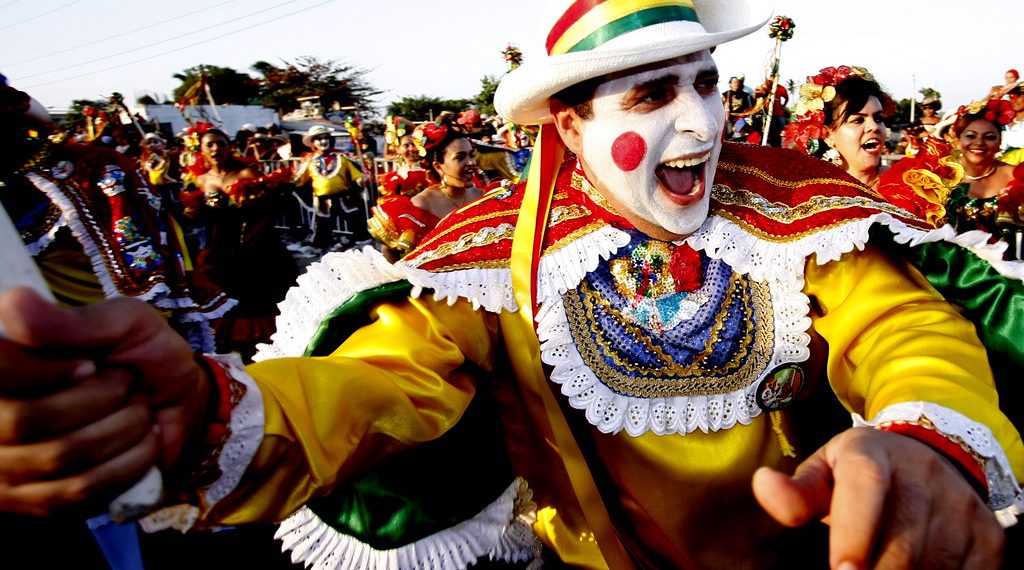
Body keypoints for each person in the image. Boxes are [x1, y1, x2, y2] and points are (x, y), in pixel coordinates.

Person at [1, 3, 1023, 570]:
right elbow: (375, 391)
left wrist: (923, 435)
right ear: (569, 125)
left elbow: (908, 330)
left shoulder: (800, 211)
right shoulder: (490, 257)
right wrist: (215, 414)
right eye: (656, 93)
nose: (703, 125)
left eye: (707, 83)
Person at [180, 128, 299, 361]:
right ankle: (231, 346)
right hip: (220, 246)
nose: (216, 149)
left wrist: (253, 202)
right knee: (226, 295)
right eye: (210, 145)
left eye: (221, 144)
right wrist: (192, 212)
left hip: (254, 244)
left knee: (259, 293)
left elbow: (270, 207)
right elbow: (198, 216)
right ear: (201, 149)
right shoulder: (198, 179)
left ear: (229, 146)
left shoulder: (245, 173)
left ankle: (266, 344)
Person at [368, 115, 485, 257]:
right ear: (438, 166)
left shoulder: (481, 196)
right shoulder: (421, 205)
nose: (471, 163)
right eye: (460, 157)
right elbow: (389, 251)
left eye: (471, 155)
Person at [783, 65, 893, 188]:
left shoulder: (908, 185)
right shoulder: (808, 191)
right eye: (858, 120)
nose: (874, 126)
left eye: (879, 119)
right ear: (827, 135)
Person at [292, 124, 367, 250]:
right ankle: (322, 245)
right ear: (313, 142)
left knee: (354, 219)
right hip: (322, 199)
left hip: (344, 197)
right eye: (319, 138)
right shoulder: (309, 161)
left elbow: (355, 173)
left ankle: (363, 242)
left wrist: (360, 179)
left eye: (325, 137)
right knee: (322, 223)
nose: (323, 141)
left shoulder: (341, 157)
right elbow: (300, 179)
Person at [722, 75, 754, 140]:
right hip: (729, 118)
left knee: (736, 134)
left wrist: (742, 118)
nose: (736, 84)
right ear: (730, 84)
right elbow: (721, 106)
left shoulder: (745, 95)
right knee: (728, 135)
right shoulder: (726, 94)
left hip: (741, 118)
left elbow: (748, 108)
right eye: (734, 82)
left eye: (737, 82)